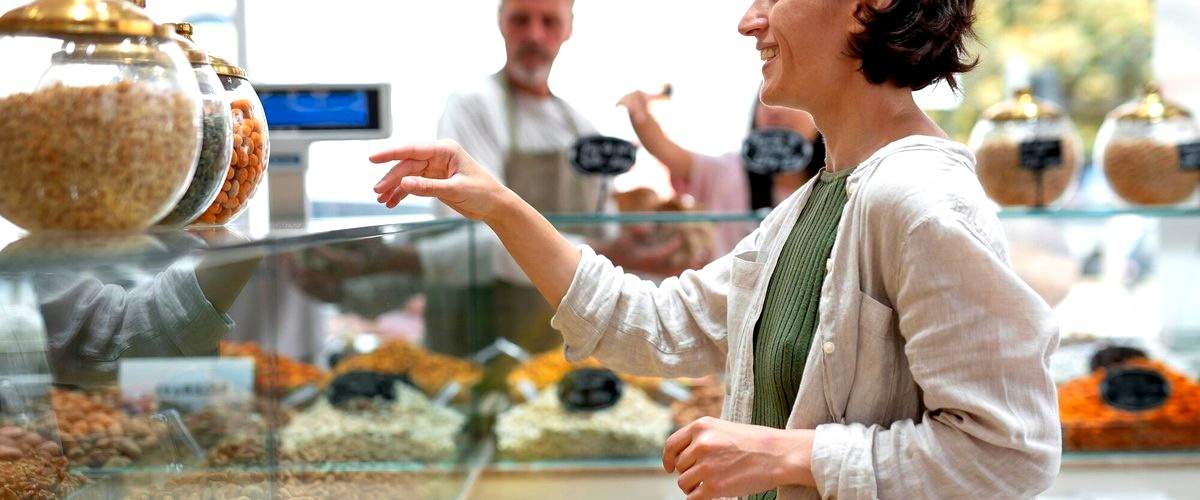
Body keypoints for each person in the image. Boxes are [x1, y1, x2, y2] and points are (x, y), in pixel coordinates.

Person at [371, 0, 1061, 498]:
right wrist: (499, 204)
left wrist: (786, 454)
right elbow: (651, 325)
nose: (749, 19)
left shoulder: (920, 201)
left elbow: (1007, 456)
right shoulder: (817, 201)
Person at [618, 93, 825, 255]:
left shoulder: (844, 184)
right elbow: (667, 152)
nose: (775, 110)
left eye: (790, 100)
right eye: (765, 100)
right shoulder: (728, 171)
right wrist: (640, 113)